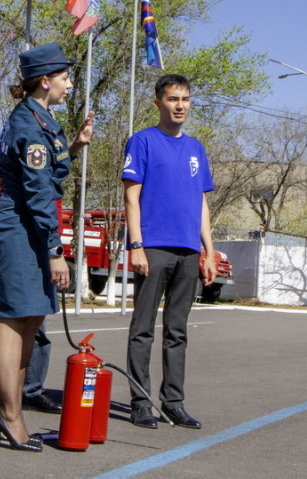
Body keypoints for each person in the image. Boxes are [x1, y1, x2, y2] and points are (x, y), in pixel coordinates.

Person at [0, 42, 94, 451]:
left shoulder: (39, 119)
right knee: (15, 318)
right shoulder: (30, 124)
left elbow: (46, 169)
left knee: (31, 317)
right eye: (65, 78)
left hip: (27, 222)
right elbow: (36, 191)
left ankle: (11, 412)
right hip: (18, 224)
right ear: (45, 80)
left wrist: (77, 145)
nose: (69, 85)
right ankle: (9, 416)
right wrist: (54, 250)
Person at [121, 74, 217, 430]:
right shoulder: (143, 141)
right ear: (158, 103)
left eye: (186, 99)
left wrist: (209, 250)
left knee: (177, 330)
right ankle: (141, 402)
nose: (180, 105)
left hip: (188, 251)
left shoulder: (196, 149)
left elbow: (202, 203)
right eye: (173, 99)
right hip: (154, 247)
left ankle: (173, 402)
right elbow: (131, 196)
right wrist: (137, 245)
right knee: (143, 328)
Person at [0, 151, 62, 416]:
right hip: (13, 244)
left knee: (38, 322)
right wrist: (5, 241)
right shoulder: (0, 155)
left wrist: (54, 245)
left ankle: (31, 390)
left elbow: (52, 203)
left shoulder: (49, 157)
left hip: (42, 245)